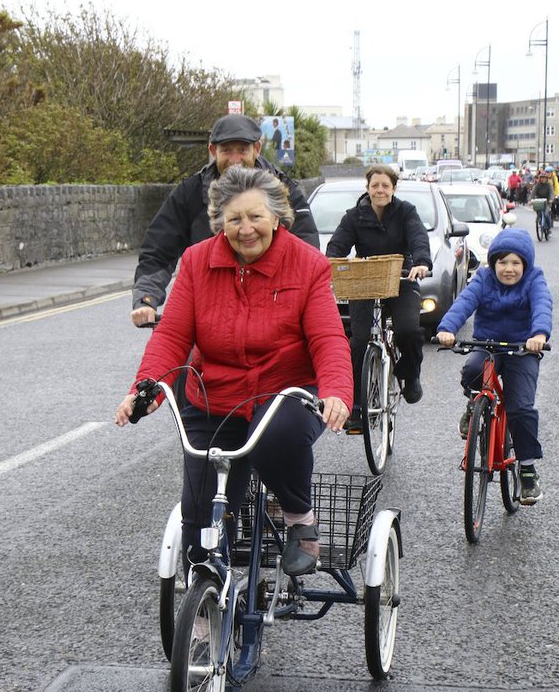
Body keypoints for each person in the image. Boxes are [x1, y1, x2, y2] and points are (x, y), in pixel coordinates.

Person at [116, 166, 353, 577]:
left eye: (256, 217)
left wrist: (335, 390)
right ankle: (209, 608)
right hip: (215, 395)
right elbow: (172, 336)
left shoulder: (308, 264)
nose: (246, 229)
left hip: (286, 388)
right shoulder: (196, 262)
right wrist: (145, 390)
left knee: (278, 436)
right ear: (219, 223)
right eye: (234, 219)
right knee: (199, 516)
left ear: (277, 218)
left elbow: (328, 338)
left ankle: (300, 520)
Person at [131, 114, 319, 327]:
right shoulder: (189, 193)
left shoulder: (284, 190)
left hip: (273, 312)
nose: (235, 159)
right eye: (226, 150)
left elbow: (307, 250)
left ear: (257, 148)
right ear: (213, 151)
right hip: (208, 314)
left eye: (242, 150)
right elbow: (158, 250)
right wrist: (146, 298)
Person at [436, 228, 552, 506]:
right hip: (487, 344)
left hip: (523, 348)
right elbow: (464, 302)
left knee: (521, 407)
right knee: (472, 371)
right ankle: (474, 405)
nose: (508, 269)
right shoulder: (484, 278)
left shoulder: (535, 280)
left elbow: (543, 305)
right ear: (493, 263)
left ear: (525, 264)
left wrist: (539, 335)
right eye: (502, 262)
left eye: (515, 263)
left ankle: (526, 469)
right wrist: (447, 328)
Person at [326, 164, 431, 426]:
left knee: (408, 330)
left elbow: (418, 237)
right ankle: (358, 406)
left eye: (385, 185)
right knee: (359, 342)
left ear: (393, 189)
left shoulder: (406, 211)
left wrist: (421, 262)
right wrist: (328, 267)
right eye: (375, 185)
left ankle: (410, 374)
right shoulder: (354, 216)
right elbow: (336, 247)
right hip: (364, 280)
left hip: (402, 278)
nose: (380, 190)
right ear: (368, 188)